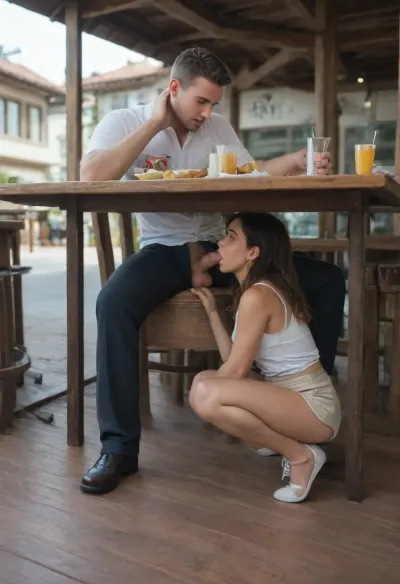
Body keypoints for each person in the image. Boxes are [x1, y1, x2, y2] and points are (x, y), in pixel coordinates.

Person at [79, 46, 345, 495]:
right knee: (112, 301)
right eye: (200, 102)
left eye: (213, 104)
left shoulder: (217, 127)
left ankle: (296, 407)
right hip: (164, 249)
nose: (207, 113)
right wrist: (154, 125)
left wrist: (294, 163)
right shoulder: (124, 121)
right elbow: (89, 178)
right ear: (174, 89)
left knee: (326, 279)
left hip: (220, 247)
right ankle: (119, 449)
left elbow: (251, 174)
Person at [190, 213, 342, 503]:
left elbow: (233, 375)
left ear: (253, 252)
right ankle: (284, 443)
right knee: (203, 382)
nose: (220, 242)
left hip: (314, 406)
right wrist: (212, 313)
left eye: (231, 237)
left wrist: (206, 396)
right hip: (290, 397)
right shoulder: (255, 290)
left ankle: (301, 456)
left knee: (206, 392)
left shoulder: (258, 296)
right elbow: (233, 362)